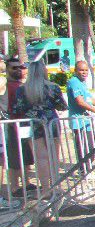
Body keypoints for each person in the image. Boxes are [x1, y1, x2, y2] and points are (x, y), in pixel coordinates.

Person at [12, 61, 67, 199]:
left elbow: (17, 108)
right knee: (53, 156)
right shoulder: (53, 87)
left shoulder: (22, 89)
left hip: (33, 123)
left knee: (40, 158)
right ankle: (56, 186)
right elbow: (62, 106)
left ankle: (46, 188)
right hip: (51, 121)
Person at [67, 60, 95, 174]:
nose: (84, 72)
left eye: (86, 70)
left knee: (91, 147)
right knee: (83, 148)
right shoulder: (74, 82)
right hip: (78, 121)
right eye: (81, 70)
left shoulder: (82, 83)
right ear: (75, 70)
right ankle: (84, 171)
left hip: (86, 121)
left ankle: (88, 169)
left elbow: (90, 99)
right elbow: (80, 102)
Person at [4, 57, 36, 195]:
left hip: (24, 124)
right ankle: (14, 187)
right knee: (13, 158)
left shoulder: (20, 85)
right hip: (11, 125)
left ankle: (27, 182)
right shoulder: (4, 84)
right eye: (14, 67)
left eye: (20, 67)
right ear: (7, 69)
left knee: (26, 156)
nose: (18, 70)